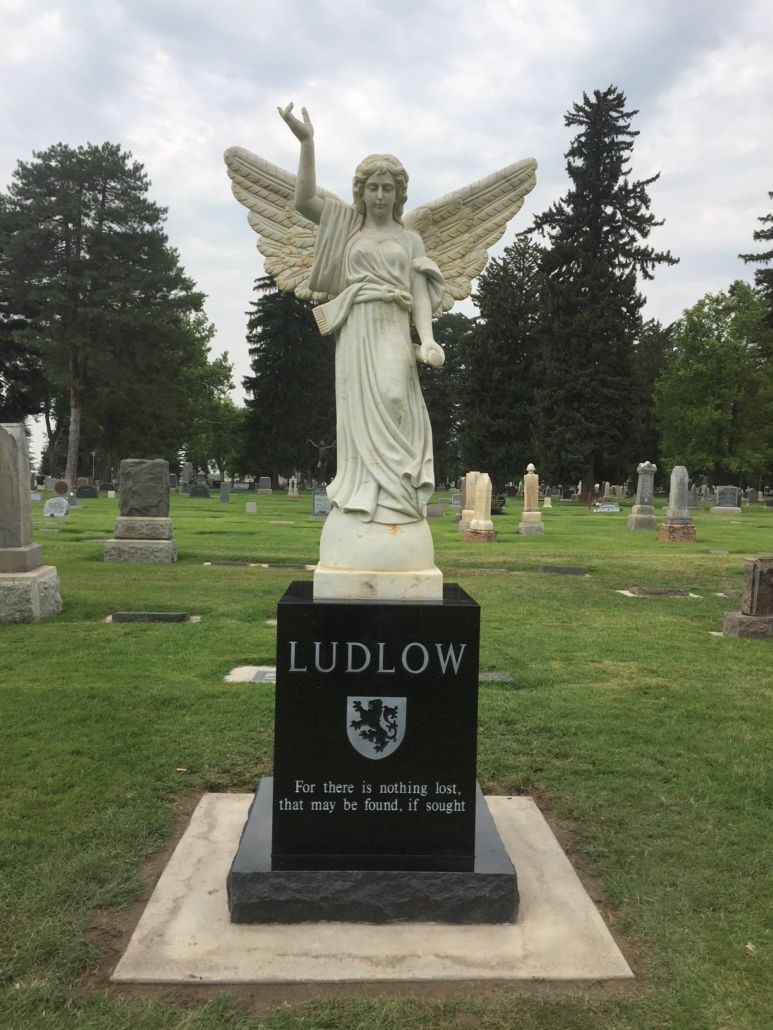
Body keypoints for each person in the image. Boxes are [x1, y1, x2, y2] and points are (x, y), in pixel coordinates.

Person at [279, 103, 445, 526]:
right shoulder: (346, 226)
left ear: (399, 192)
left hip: (391, 324)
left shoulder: (411, 239)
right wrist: (307, 143)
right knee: (355, 415)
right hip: (354, 328)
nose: (379, 195)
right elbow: (302, 200)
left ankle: (399, 499)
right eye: (372, 187)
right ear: (361, 190)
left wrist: (425, 339)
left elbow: (421, 293)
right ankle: (364, 500)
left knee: (394, 398)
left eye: (387, 188)